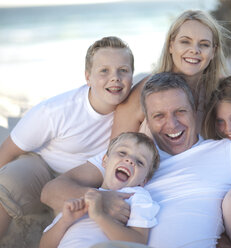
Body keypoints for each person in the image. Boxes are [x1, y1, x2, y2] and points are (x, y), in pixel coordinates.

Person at [42, 72, 231, 248]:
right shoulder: (134, 155)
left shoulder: (228, 152)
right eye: (159, 116)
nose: (172, 124)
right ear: (148, 120)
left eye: (180, 112)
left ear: (196, 113)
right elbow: (51, 190)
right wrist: (98, 199)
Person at [0, 36, 134, 239]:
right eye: (104, 71)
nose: (115, 77)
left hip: (86, 180)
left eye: (123, 70)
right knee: (8, 183)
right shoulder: (55, 111)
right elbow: (8, 150)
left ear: (132, 76)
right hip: (44, 168)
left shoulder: (132, 108)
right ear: (88, 77)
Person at [110, 9, 231, 138]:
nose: (194, 50)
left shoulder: (222, 91)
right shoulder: (143, 92)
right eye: (185, 42)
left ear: (213, 52)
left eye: (204, 44)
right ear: (171, 45)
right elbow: (115, 151)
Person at [39, 132, 160, 248]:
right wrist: (64, 221)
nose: (130, 160)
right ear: (105, 160)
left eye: (139, 162)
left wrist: (99, 216)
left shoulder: (136, 196)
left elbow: (138, 242)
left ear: (144, 181)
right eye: (122, 153)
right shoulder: (85, 195)